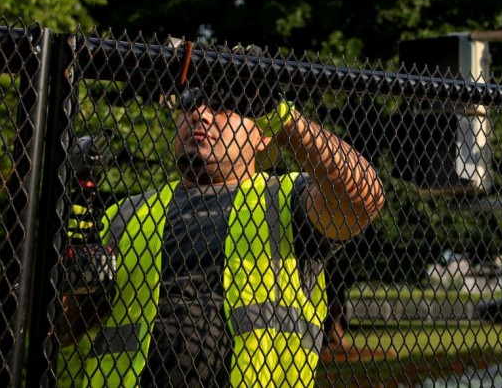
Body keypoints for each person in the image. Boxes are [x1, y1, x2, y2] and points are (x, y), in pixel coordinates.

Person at [58, 77, 385, 388]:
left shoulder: (285, 199)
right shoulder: (127, 213)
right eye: (190, 102)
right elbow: (62, 330)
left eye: (223, 103)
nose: (201, 113)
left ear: (261, 133)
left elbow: (365, 198)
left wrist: (284, 118)